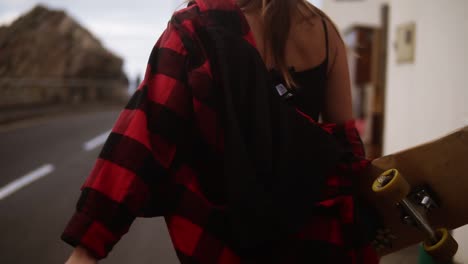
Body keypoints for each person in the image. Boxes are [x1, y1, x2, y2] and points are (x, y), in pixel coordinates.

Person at [63, 0, 380, 263]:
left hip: (224, 240)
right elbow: (345, 144)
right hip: (310, 237)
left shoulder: (198, 28)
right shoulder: (324, 30)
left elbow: (143, 137)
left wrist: (87, 248)